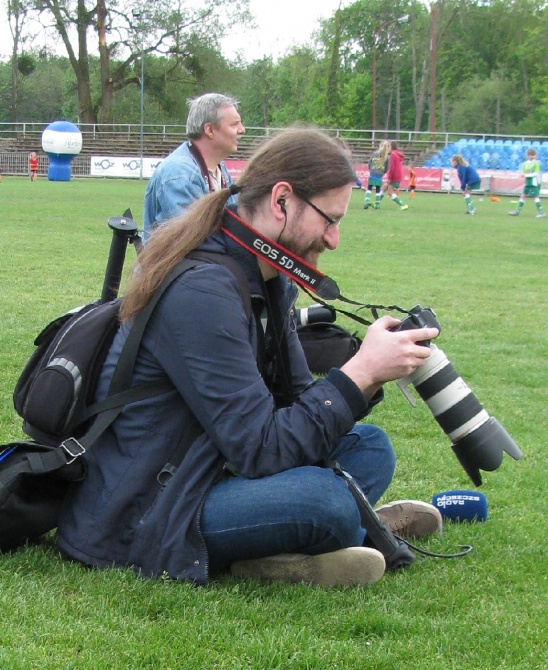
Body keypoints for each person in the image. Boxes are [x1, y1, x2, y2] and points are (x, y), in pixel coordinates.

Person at [56, 127, 443, 588]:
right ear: (282, 200)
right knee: (326, 502)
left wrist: (369, 376)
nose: (334, 239)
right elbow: (261, 450)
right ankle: (340, 527)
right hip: (149, 506)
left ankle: (299, 542)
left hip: (208, 462)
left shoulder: (266, 276)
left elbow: (297, 400)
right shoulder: (204, 290)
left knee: (370, 448)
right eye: (330, 220)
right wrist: (359, 373)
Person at [143, 92, 245, 242]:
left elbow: (234, 223)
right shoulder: (179, 174)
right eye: (234, 124)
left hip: (205, 264)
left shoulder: (219, 168)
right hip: (179, 264)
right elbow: (191, 242)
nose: (242, 130)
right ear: (210, 130)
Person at [509, 148, 545, 218]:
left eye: (533, 155)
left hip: (533, 183)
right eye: (530, 155)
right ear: (527, 155)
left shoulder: (536, 163)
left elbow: (536, 173)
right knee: (523, 196)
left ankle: (541, 213)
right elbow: (524, 172)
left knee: (535, 197)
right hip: (528, 183)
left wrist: (525, 175)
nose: (532, 156)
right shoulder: (525, 164)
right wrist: (523, 174)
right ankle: (517, 211)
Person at [363, 140, 391, 210]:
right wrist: (383, 172)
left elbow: (370, 162)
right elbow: (387, 168)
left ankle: (366, 202)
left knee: (369, 188)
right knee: (378, 190)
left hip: (372, 173)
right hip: (379, 175)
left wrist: (371, 169)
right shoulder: (387, 157)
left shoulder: (374, 153)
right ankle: (377, 205)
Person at [383, 141, 409, 210]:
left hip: (394, 176)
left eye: (388, 146)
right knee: (384, 188)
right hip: (398, 175)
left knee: (390, 193)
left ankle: (403, 205)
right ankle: (376, 203)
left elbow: (392, 167)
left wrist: (389, 177)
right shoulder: (398, 154)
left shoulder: (393, 155)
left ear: (391, 147)